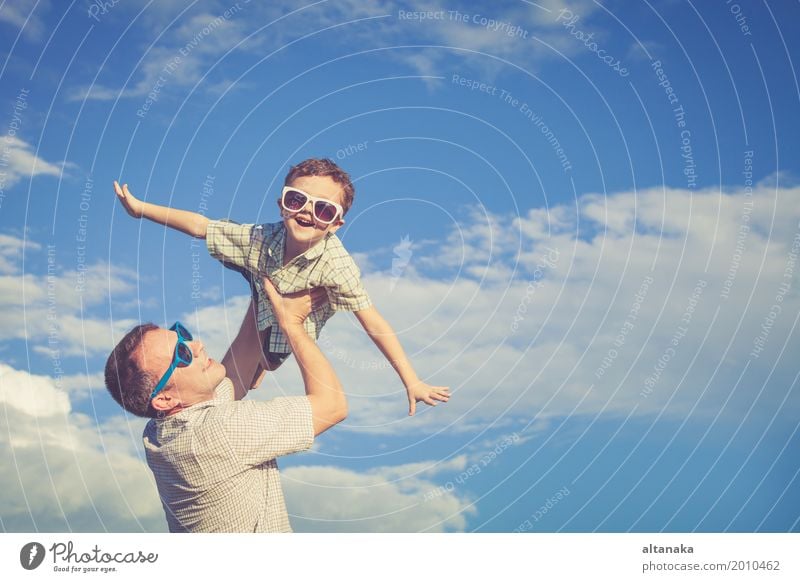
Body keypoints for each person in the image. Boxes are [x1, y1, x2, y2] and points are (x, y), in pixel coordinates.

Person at [113, 158, 449, 415]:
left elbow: (373, 322)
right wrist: (141, 209)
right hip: (262, 271)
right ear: (281, 204)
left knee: (266, 362)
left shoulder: (337, 265)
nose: (307, 212)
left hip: (286, 323)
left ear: (335, 225)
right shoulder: (263, 236)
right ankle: (255, 287)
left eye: (323, 209)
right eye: (297, 200)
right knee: (234, 242)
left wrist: (411, 379)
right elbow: (201, 226)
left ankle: (261, 364)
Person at [104, 277, 346, 532]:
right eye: (182, 355)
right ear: (165, 399)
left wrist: (264, 288)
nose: (197, 346)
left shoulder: (160, 432)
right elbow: (332, 405)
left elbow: (233, 377)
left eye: (182, 336)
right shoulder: (221, 431)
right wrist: (291, 324)